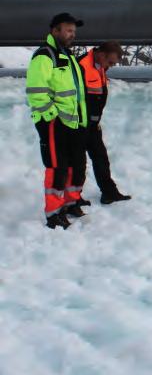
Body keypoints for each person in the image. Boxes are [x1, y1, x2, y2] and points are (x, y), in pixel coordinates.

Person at [25, 13, 90, 229]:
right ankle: (53, 213)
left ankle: (69, 203)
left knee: (76, 166)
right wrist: (52, 117)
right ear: (55, 31)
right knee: (57, 168)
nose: (72, 34)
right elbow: (36, 92)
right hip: (54, 123)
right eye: (68, 30)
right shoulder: (44, 56)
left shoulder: (68, 56)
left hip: (73, 123)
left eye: (74, 31)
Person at [79, 42, 131, 204]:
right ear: (101, 54)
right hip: (79, 124)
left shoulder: (99, 66)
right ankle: (72, 199)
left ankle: (109, 192)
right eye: (110, 62)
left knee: (101, 158)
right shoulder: (81, 66)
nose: (111, 66)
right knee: (78, 163)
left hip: (93, 125)